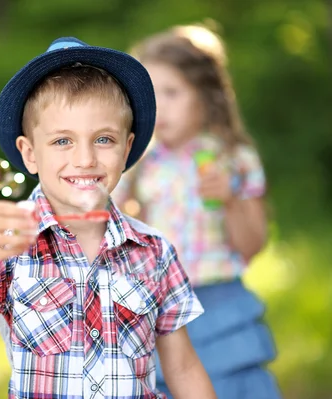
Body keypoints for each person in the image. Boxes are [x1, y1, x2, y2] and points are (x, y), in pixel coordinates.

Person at [0, 36, 216, 398]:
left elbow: (182, 366)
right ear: (29, 154)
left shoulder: (154, 252)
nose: (85, 159)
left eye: (104, 139)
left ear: (126, 149)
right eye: (63, 141)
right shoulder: (12, 244)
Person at [111, 25, 281, 399]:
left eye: (172, 93)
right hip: (160, 312)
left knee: (225, 385)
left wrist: (231, 200)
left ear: (206, 96)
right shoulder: (139, 163)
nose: (160, 107)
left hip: (219, 306)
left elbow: (253, 244)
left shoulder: (232, 159)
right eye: (151, 95)